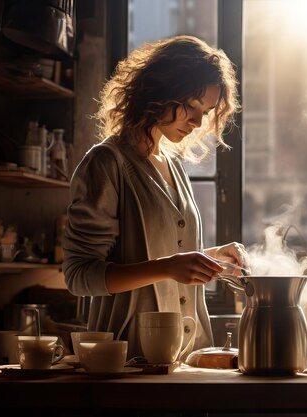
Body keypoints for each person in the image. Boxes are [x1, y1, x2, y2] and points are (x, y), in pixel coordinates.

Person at [63, 35, 247, 360]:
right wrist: (170, 267)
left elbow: (163, 257)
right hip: (128, 358)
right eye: (191, 106)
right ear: (158, 91)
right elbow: (79, 276)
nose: (197, 121)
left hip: (188, 354)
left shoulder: (173, 164)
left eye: (205, 111)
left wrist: (209, 257)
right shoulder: (106, 163)